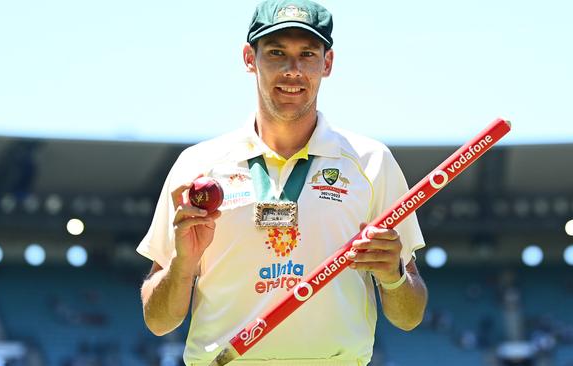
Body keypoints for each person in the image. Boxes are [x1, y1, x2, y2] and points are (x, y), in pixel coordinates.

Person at [137, 0, 428, 365]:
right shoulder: (198, 167)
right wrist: (182, 265)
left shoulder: (370, 163)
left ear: (327, 63)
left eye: (307, 54)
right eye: (276, 53)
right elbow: (159, 321)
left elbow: (409, 316)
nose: (293, 70)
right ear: (249, 57)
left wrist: (394, 276)